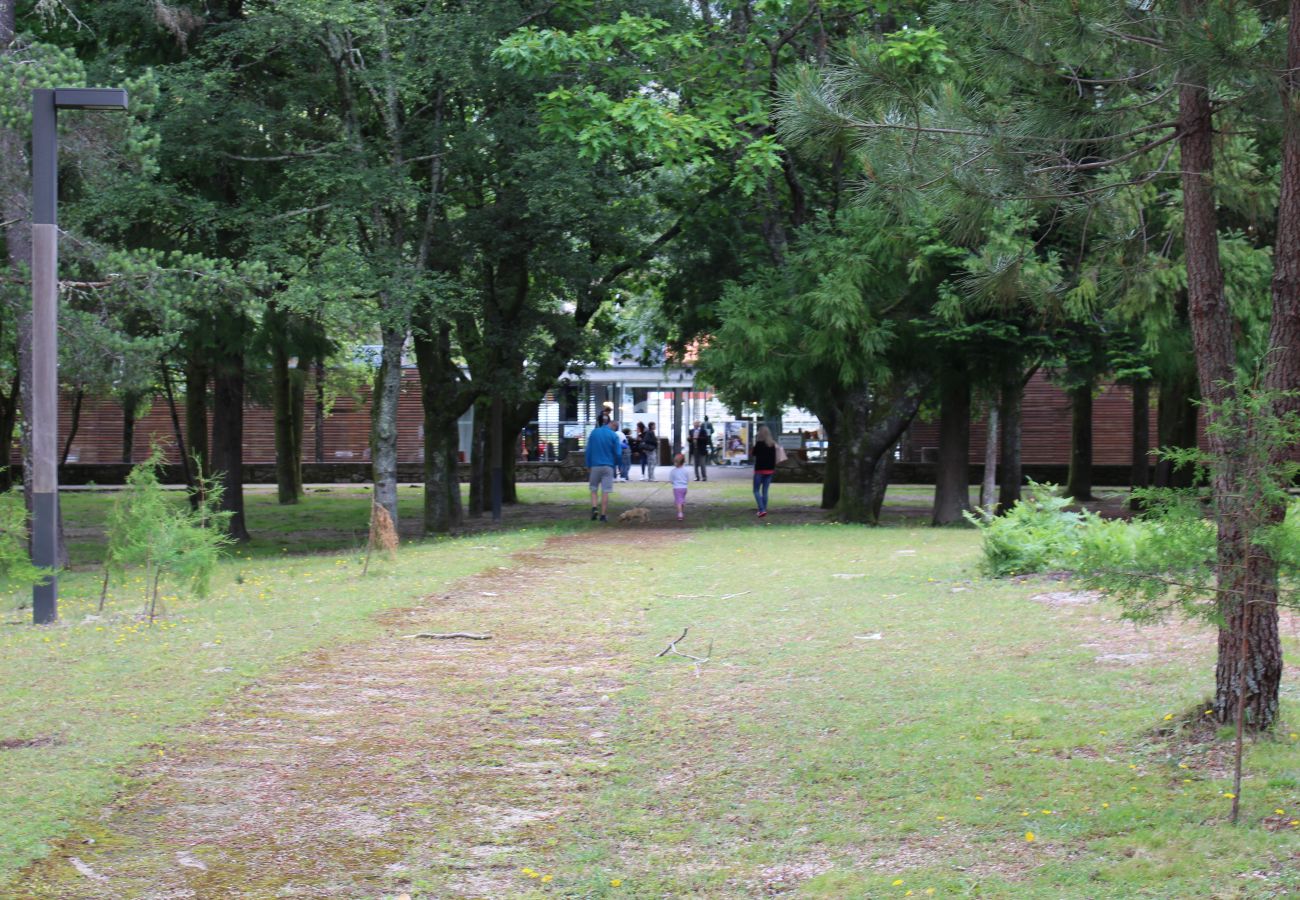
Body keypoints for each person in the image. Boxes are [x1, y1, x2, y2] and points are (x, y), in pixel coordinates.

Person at [585, 415, 621, 522]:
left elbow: (588, 451)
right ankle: (603, 515)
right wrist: (617, 465)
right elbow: (618, 453)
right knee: (606, 490)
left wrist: (588, 465)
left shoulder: (594, 433)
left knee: (593, 488)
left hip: (595, 465)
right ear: (614, 426)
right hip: (608, 466)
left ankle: (595, 507)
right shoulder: (614, 436)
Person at [752, 424, 779, 519]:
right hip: (769, 470)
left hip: (759, 470)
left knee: (756, 490)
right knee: (765, 491)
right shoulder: (773, 445)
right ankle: (763, 509)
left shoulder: (759, 444)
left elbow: (753, 454)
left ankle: (762, 509)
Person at [669, 452, 690, 521]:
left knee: (678, 502)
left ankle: (680, 513)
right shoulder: (685, 471)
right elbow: (687, 479)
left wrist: (673, 482)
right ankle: (681, 511)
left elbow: (671, 481)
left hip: (676, 488)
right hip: (684, 488)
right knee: (682, 501)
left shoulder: (673, 471)